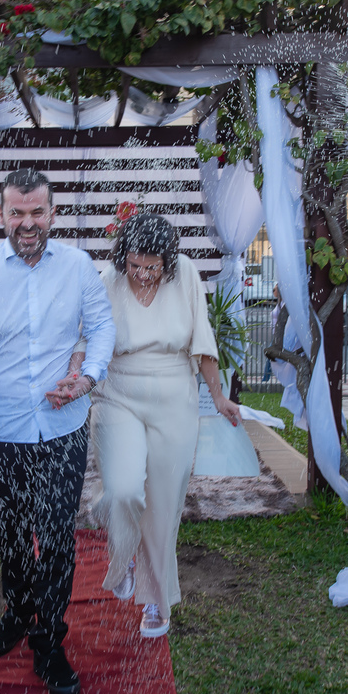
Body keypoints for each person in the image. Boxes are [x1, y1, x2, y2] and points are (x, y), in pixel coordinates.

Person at [0, 168, 115, 694]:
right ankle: (18, 612)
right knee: (15, 533)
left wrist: (87, 377)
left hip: (63, 427)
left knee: (58, 534)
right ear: (1, 215)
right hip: (4, 430)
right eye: (16, 212)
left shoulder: (80, 267)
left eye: (37, 211)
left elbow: (102, 326)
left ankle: (49, 639)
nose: (27, 222)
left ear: (53, 214)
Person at [87, 213, 241, 638]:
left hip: (176, 396)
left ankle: (155, 600)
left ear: (167, 261)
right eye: (134, 265)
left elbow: (203, 343)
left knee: (163, 506)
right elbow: (92, 340)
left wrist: (220, 396)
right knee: (121, 490)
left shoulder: (186, 274)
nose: (141, 274)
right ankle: (123, 560)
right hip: (118, 393)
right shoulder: (107, 280)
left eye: (151, 267)